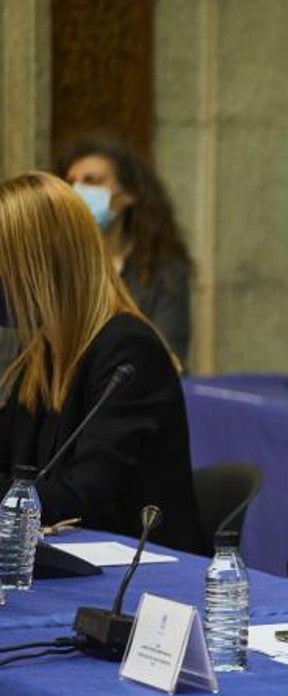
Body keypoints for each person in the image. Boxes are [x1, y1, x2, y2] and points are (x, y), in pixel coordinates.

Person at [0, 172, 206, 555]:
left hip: (145, 580)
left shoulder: (129, 352)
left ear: (43, 266)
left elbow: (83, 495)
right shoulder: (42, 355)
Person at [57, 137, 194, 365]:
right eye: (70, 182)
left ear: (128, 194)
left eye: (91, 181)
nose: (77, 191)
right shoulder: (57, 265)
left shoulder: (162, 271)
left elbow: (169, 356)